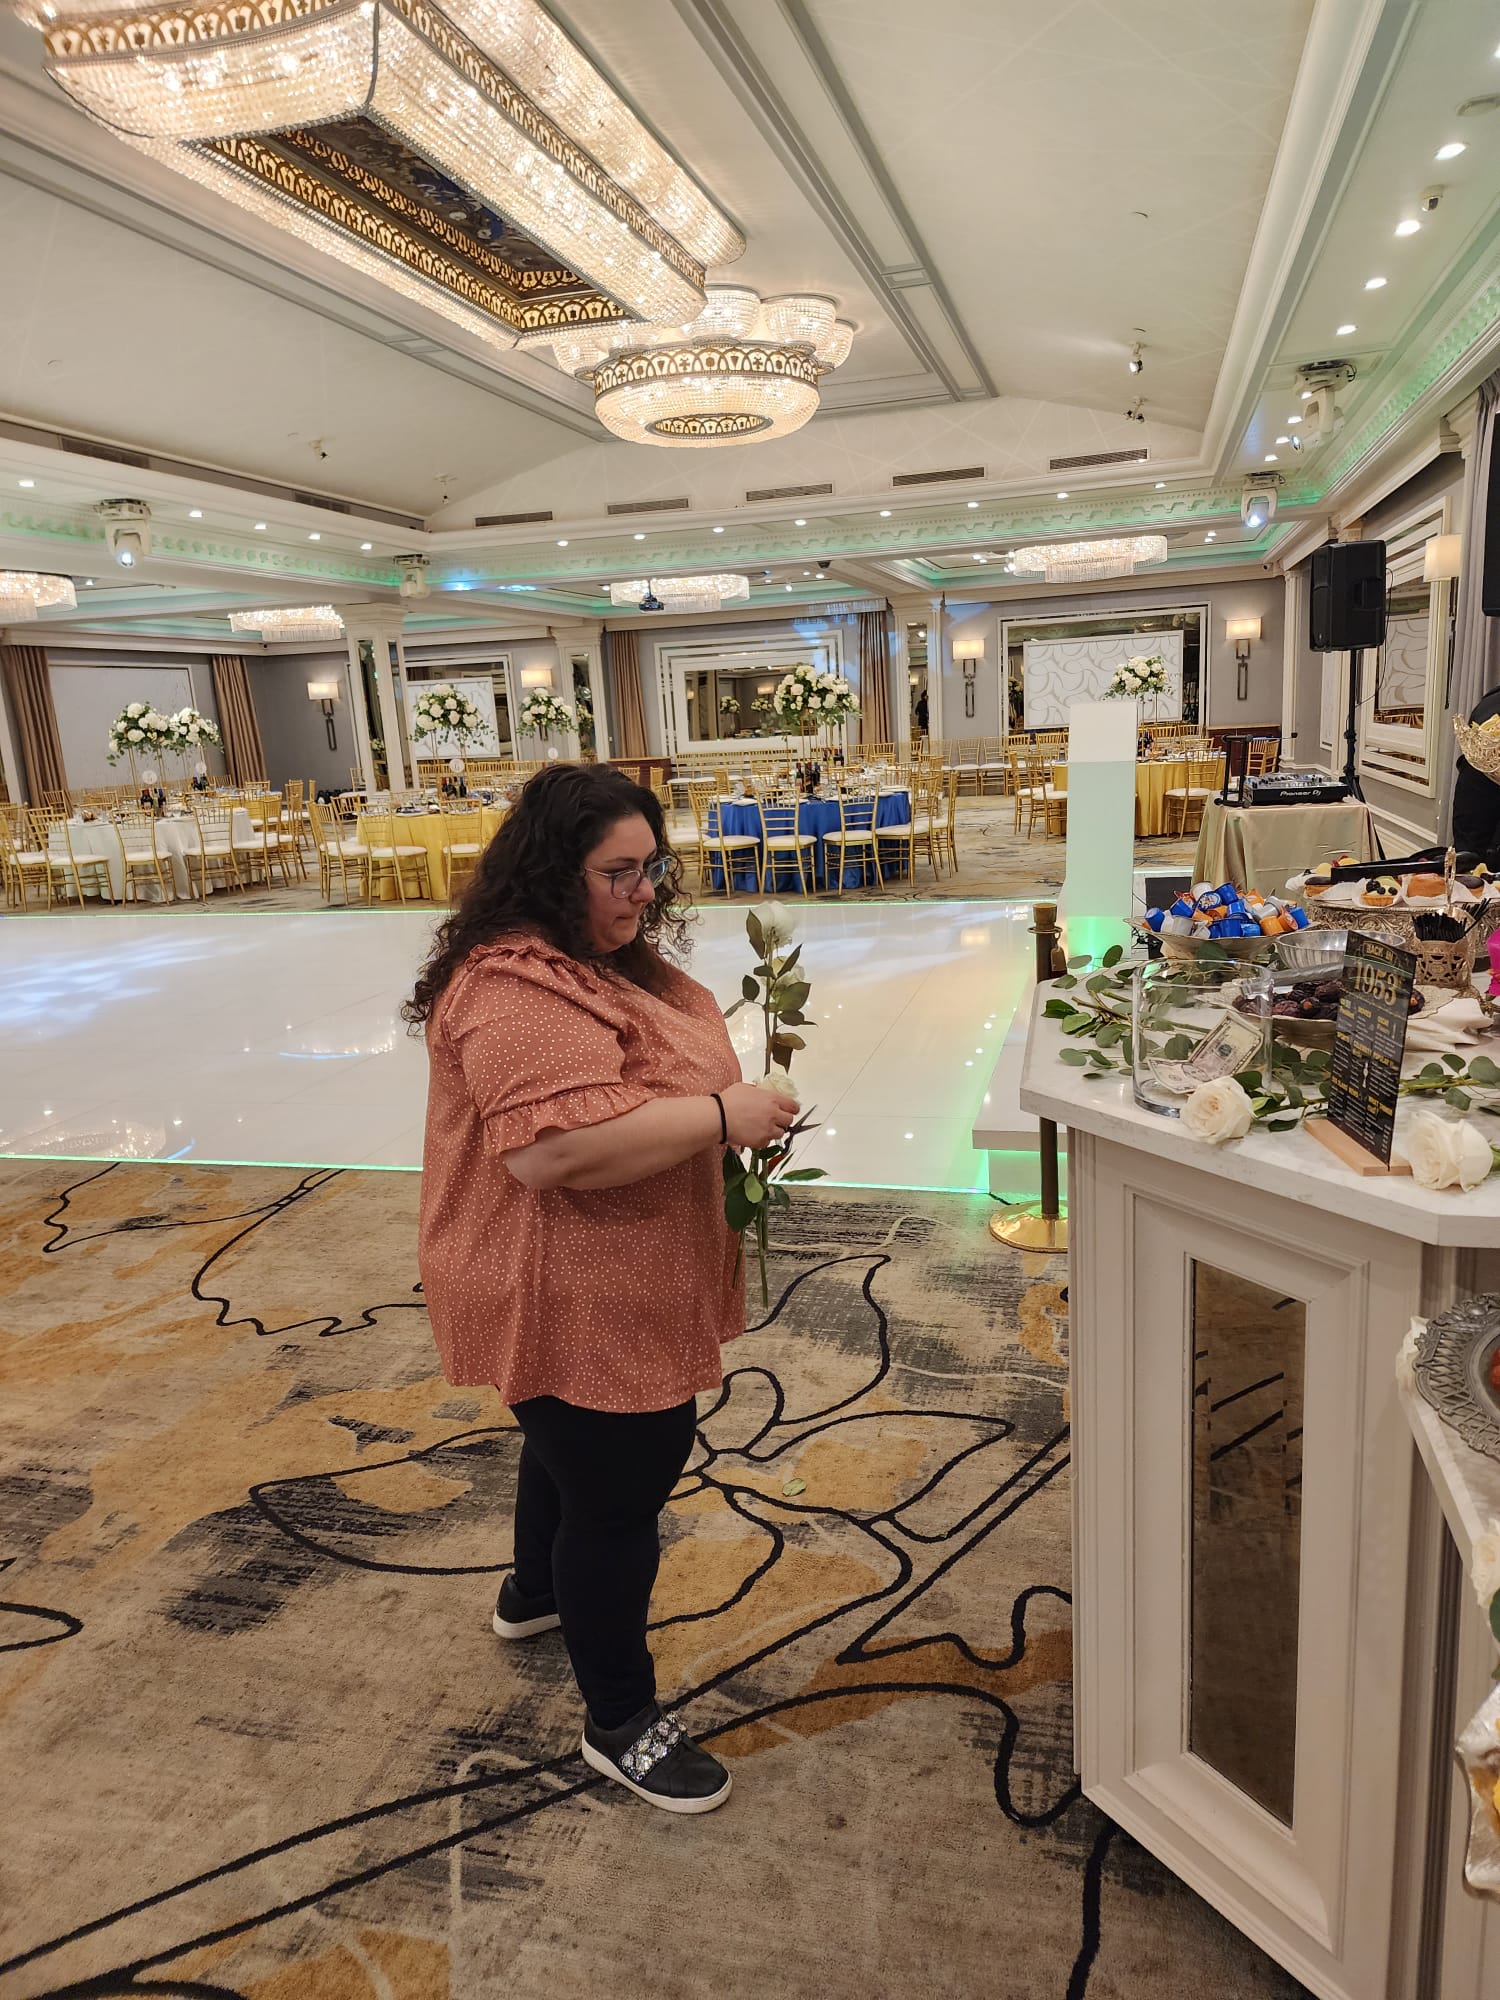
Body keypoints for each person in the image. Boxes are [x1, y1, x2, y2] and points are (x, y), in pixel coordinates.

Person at [404, 764, 797, 1815]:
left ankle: (535, 1592)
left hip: (614, 1272)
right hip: (558, 1279)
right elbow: (558, 1152)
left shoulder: (598, 959)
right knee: (620, 1488)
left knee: (569, 1442)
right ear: (549, 870)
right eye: (618, 872)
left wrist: (730, 1106)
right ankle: (619, 1718)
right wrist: (725, 1116)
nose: (643, 893)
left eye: (651, 869)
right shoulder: (508, 988)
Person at [1452, 685, 1500, 865]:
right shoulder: (1492, 703)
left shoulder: (1490, 700)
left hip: (1474, 791)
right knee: (1471, 864)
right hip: (1478, 790)